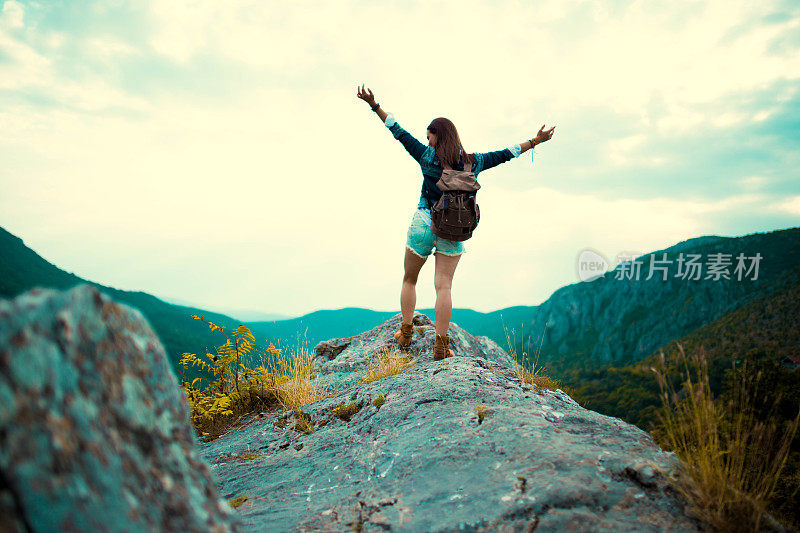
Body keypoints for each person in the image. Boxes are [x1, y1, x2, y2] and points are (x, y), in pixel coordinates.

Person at [356, 84, 555, 361]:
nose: (427, 142)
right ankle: (440, 346)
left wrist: (374, 105)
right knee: (444, 286)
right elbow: (506, 153)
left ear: (437, 136)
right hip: (453, 229)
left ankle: (405, 333)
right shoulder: (473, 162)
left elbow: (397, 130)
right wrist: (535, 141)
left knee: (410, 279)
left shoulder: (426, 157)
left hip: (424, 222)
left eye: (429, 137)